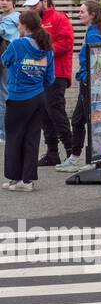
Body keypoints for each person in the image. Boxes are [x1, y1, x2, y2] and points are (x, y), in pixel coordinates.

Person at [58, 0, 101, 173]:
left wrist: (84, 77)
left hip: (90, 85)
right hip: (93, 84)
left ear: (92, 15)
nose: (78, 14)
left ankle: (89, 159)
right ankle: (79, 158)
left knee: (86, 121)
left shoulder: (93, 34)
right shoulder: (95, 31)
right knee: (81, 120)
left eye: (82, 12)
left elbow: (97, 60)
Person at [3, 12, 55, 191]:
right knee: (32, 138)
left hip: (18, 97)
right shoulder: (47, 47)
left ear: (24, 26)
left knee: (14, 137)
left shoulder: (17, 44)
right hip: (38, 98)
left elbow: (4, 60)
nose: (18, 27)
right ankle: (27, 181)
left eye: (19, 24)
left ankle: (14, 178)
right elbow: (50, 78)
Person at [24, 0, 75, 166]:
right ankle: (52, 153)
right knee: (44, 112)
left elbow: (67, 43)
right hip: (39, 73)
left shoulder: (59, 18)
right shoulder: (34, 22)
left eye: (34, 4)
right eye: (29, 5)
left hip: (58, 72)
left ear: (45, 1)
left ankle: (71, 152)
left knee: (55, 110)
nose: (31, 8)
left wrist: (43, 50)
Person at [0, 0, 20, 144]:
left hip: (8, 61)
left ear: (14, 2)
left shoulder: (13, 18)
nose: (4, 2)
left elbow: (4, 32)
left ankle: (4, 133)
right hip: (5, 59)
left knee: (4, 95)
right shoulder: (4, 17)